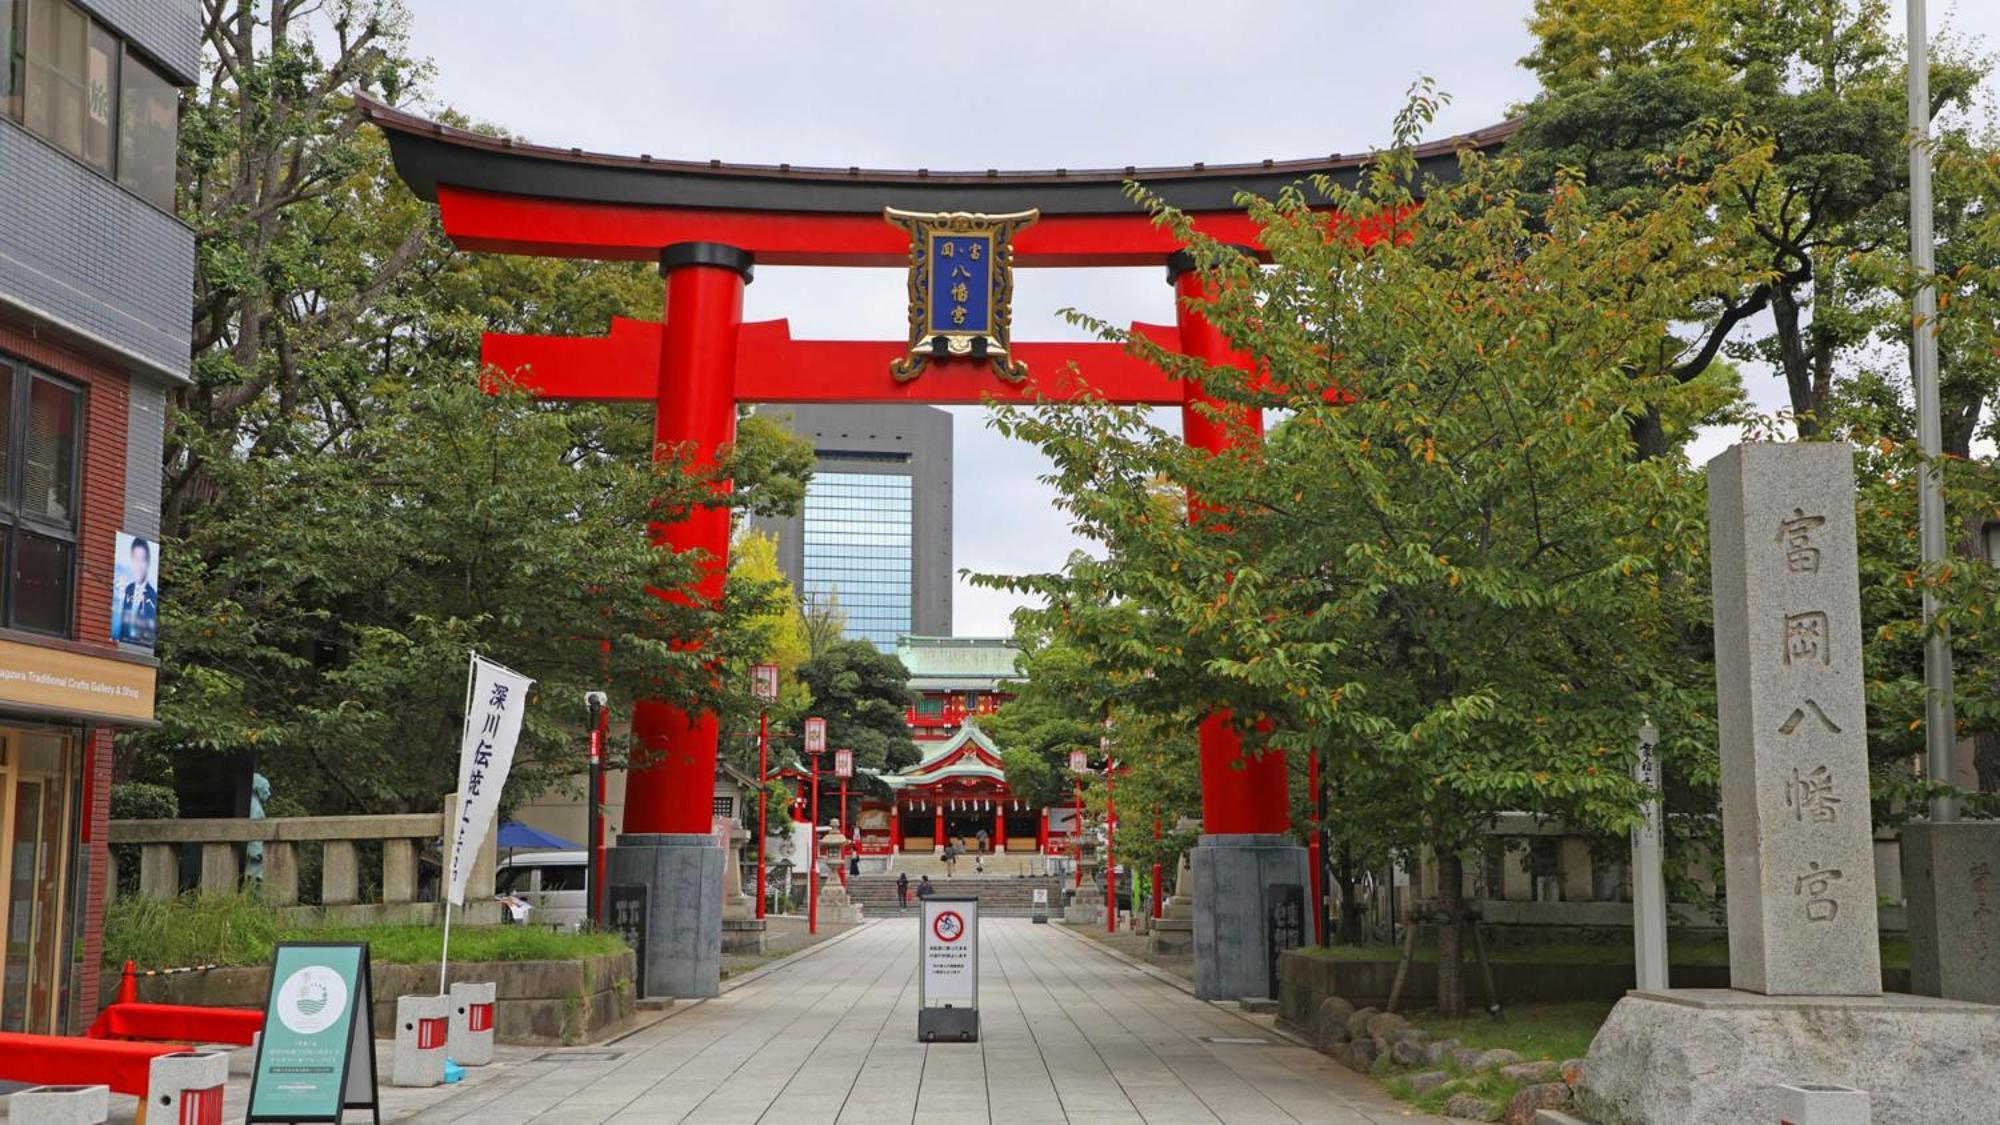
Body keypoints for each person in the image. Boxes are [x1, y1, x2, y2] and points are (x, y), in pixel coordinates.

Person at [113, 536, 158, 647]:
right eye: (136, 560)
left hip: (141, 645)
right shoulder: (128, 589)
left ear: (148, 562)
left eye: (142, 560)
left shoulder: (152, 595)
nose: (139, 566)